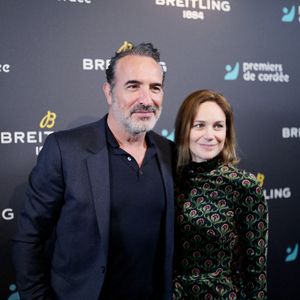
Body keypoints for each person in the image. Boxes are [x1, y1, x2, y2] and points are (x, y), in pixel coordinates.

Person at [12, 42, 174, 300]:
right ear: (108, 92)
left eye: (155, 88)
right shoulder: (65, 150)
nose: (146, 99)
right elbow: (29, 239)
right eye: (133, 86)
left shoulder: (170, 153)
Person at [173, 90, 268, 299]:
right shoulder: (167, 179)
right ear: (183, 129)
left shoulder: (244, 186)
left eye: (218, 126)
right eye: (199, 125)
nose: (210, 135)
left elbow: (256, 270)